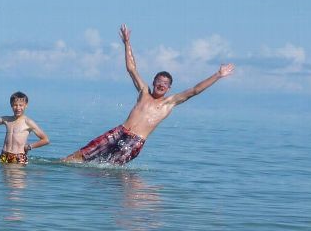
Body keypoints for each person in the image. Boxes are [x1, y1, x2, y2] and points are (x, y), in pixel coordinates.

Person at [63, 25, 235, 165]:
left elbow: (195, 90)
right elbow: (131, 69)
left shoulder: (170, 102)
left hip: (135, 142)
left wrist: (218, 75)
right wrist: (127, 43)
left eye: (165, 84)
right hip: (120, 132)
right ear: (153, 82)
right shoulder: (144, 92)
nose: (161, 85)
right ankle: (62, 164)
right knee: (83, 155)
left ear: (169, 88)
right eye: (159, 82)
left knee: (105, 169)